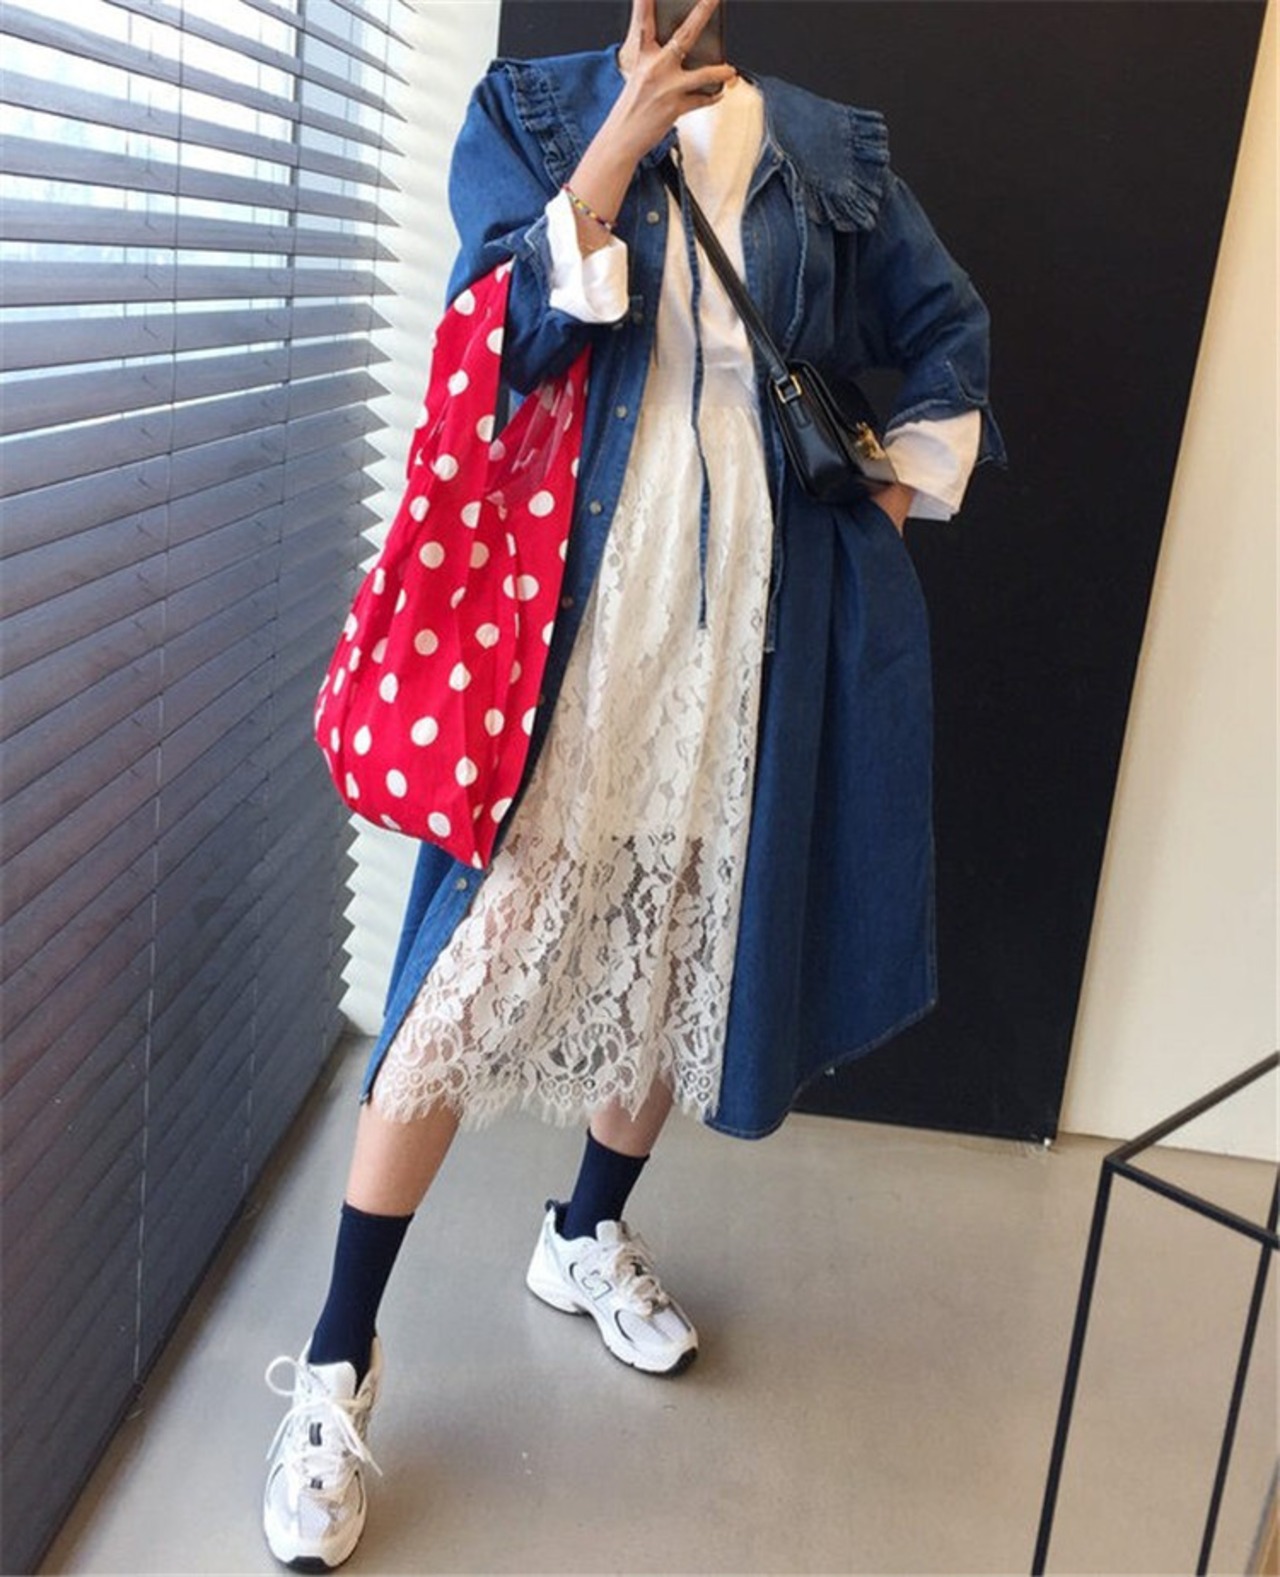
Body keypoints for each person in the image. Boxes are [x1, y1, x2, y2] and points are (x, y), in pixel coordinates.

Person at [262, 0, 1004, 1566]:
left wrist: (886, 491)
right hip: (569, 629)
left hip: (750, 627)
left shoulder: (828, 154)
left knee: (679, 945)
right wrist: (612, 150)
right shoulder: (529, 117)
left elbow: (951, 332)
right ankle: (334, 1362)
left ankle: (586, 1228)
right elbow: (497, 344)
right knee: (458, 978)